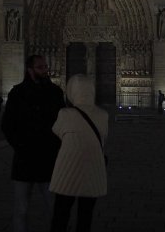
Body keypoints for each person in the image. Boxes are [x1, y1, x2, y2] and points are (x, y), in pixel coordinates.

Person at [1, 54, 65, 232]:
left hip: (49, 159)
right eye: (41, 67)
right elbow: (7, 125)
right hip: (25, 159)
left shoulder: (56, 92)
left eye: (46, 66)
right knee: (21, 210)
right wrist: (20, 146)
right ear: (30, 70)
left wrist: (55, 146)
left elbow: (63, 123)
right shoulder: (17, 93)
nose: (46, 70)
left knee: (54, 209)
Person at [50, 74, 108, 232]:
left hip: (67, 172)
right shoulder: (103, 115)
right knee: (85, 216)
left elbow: (56, 132)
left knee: (61, 214)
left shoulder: (65, 114)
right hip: (93, 172)